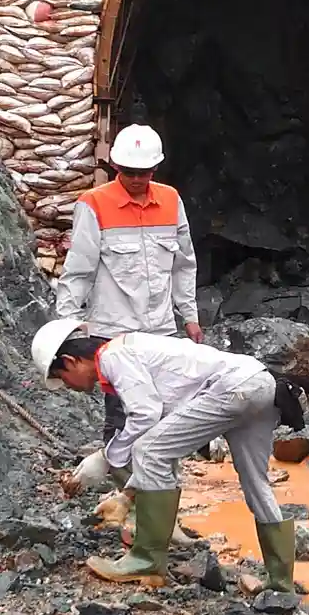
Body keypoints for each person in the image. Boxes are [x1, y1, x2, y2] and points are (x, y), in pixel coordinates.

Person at [31, 318, 296, 592]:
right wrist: (126, 496)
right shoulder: (133, 350)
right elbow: (167, 437)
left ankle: (146, 559)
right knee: (256, 483)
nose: (68, 386)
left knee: (147, 450)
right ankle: (281, 583)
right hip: (260, 383)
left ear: (70, 360)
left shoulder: (114, 357)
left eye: (62, 377)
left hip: (232, 390)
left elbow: (145, 417)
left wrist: (105, 458)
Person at [54, 123, 207, 503]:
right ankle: (129, 501)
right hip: (113, 333)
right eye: (129, 172)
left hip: (160, 331)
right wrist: (66, 324)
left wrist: (189, 315)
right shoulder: (94, 204)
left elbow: (183, 264)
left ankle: (159, 499)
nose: (137, 180)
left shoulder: (171, 200)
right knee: (122, 418)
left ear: (155, 169)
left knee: (166, 421)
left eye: (145, 172)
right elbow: (79, 270)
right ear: (116, 168)